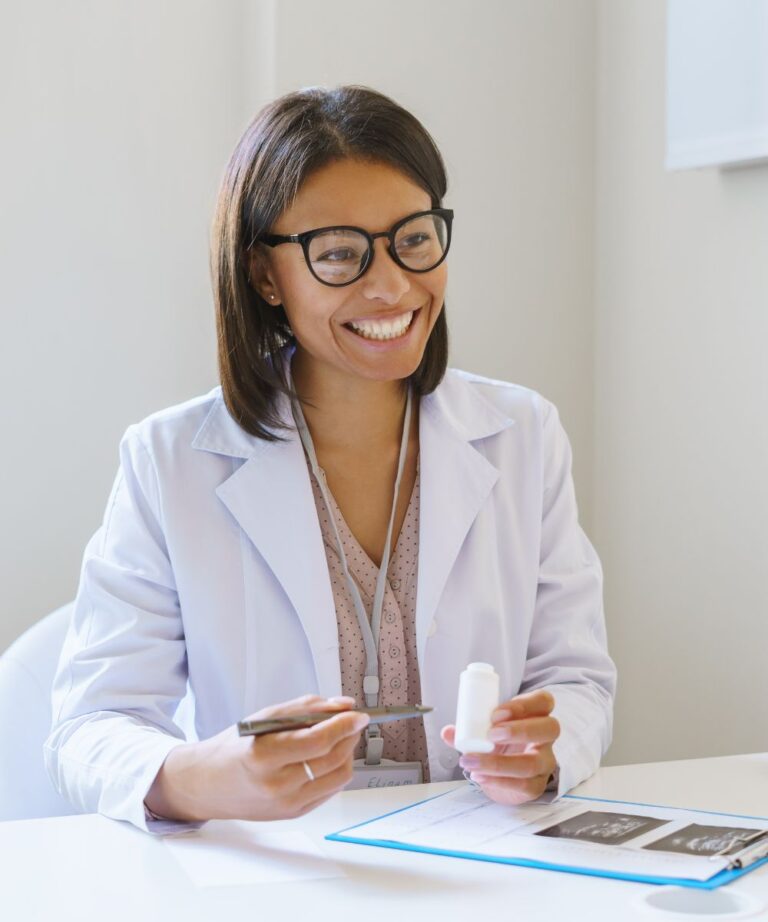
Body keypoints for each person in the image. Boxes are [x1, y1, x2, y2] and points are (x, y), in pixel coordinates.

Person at [45, 84, 616, 834]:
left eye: (414, 237)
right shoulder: (170, 461)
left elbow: (575, 678)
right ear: (262, 275)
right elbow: (90, 726)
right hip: (273, 869)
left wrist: (545, 750)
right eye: (340, 253)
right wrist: (204, 779)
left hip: (479, 860)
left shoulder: (522, 433)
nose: (391, 285)